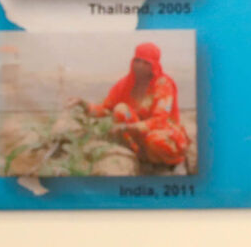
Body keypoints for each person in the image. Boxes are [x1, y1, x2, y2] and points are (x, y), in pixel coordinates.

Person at [72, 42, 190, 171]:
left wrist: (127, 127)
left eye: (146, 63)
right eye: (137, 61)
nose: (140, 66)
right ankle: (139, 156)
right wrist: (83, 104)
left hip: (163, 132)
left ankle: (169, 165)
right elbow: (105, 109)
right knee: (120, 109)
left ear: (154, 65)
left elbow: (160, 120)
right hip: (140, 137)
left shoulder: (163, 84)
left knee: (155, 140)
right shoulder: (125, 84)